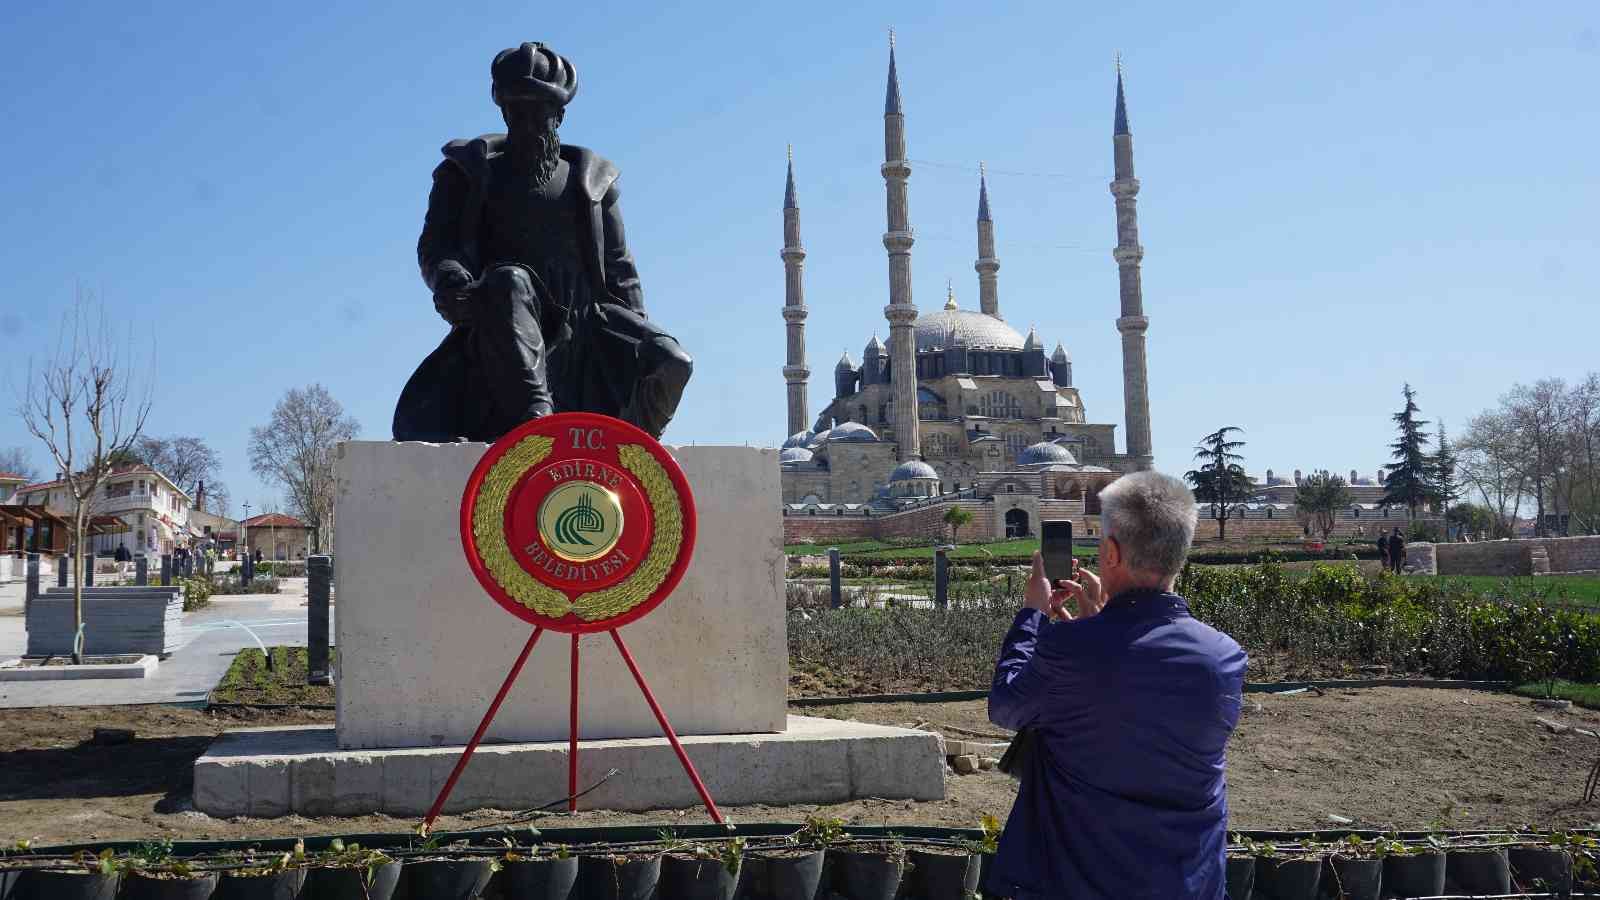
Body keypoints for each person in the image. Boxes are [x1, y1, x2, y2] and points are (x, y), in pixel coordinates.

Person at [393, 41, 692, 442]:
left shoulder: (593, 182)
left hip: (587, 323)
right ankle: (538, 426)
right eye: (518, 110)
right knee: (510, 279)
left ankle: (627, 449)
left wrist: (632, 338)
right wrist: (450, 281)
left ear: (560, 114)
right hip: (504, 318)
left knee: (673, 361)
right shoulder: (465, 174)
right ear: (503, 110)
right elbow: (438, 248)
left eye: (540, 111)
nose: (528, 123)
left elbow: (621, 271)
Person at [987, 471, 1248, 899]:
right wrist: (1098, 627)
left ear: (1109, 551)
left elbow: (1006, 706)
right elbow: (1146, 720)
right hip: (1185, 883)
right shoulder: (1225, 656)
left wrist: (1032, 616)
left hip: (1075, 882)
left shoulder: (1069, 650)